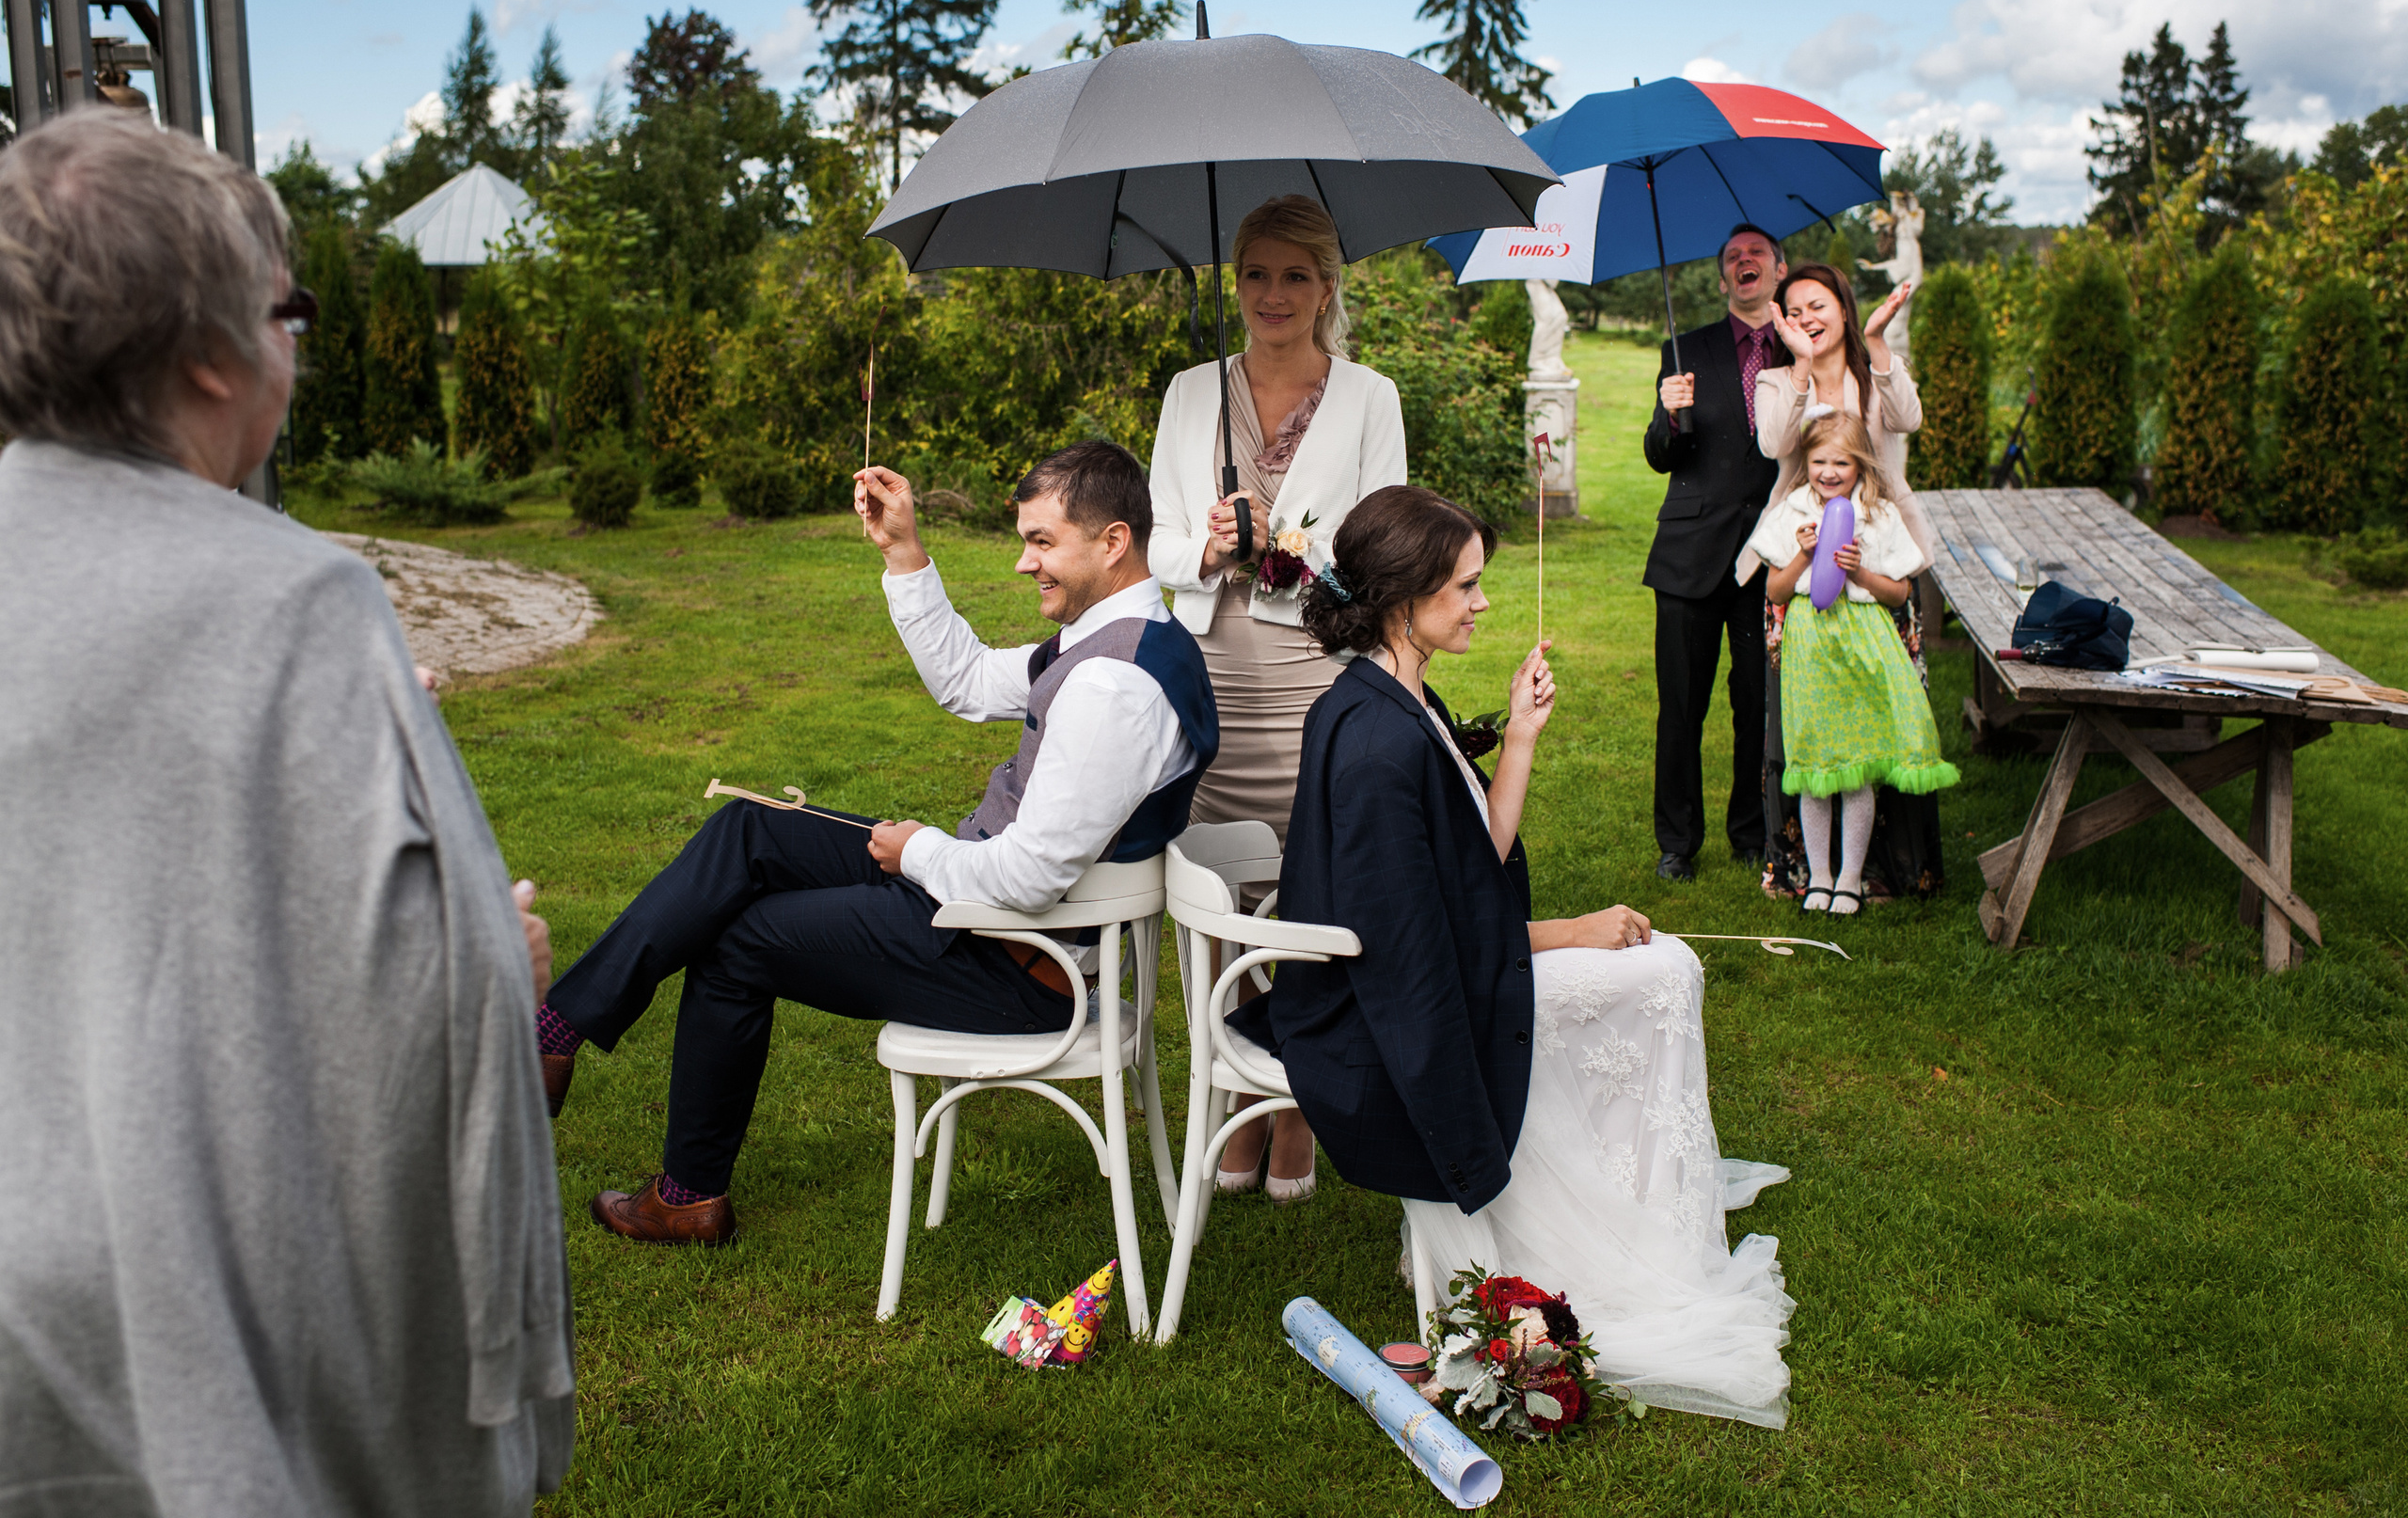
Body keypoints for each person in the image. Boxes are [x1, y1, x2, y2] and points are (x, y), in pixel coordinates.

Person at [0, 111, 574, 1515]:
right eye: (287, 312)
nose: (295, 345)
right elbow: (431, 1016)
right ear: (211, 353)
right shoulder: (299, 603)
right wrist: (502, 965)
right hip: (185, 1322)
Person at [538, 442, 1217, 1245]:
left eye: (1042, 542)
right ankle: (557, 1032)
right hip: (987, 912)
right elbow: (966, 681)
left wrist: (918, 852)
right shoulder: (1118, 636)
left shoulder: (1113, 686)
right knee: (751, 827)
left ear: (1112, 542)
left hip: (1017, 960)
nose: (1022, 562)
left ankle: (686, 1199)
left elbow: (1030, 877)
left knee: (736, 942)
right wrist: (903, 549)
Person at [1230, 484, 1795, 1428]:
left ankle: (1645, 1199)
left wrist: (1520, 734)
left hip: (1443, 966)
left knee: (1662, 967)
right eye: (1465, 586)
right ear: (1402, 597)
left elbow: (1474, 861)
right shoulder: (1375, 744)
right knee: (1666, 971)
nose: (1482, 603)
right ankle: (1633, 1218)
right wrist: (1569, 932)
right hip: (1384, 1014)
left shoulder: (1400, 693)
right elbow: (1414, 950)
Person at [1148, 193, 1406, 1202]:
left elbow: (1383, 544)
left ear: (1327, 288)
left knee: (1310, 883)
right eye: (1255, 273)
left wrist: (1285, 541)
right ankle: (1232, 1094)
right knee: (1217, 889)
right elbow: (1157, 538)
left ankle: (1297, 1100)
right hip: (1206, 670)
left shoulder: (1370, 397)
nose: (1273, 294)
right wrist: (1209, 547)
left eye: (1295, 275)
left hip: (1315, 668)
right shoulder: (1189, 392)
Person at [1751, 263, 1946, 903]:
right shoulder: (1778, 379)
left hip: (1878, 561)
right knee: (1802, 724)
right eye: (1794, 310)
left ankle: (1882, 870)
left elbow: (1909, 418)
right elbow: (1774, 444)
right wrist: (1802, 366)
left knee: (1889, 715)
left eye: (1818, 305)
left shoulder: (1874, 369)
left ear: (1843, 307)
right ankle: (1804, 870)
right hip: (1802, 563)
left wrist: (1879, 342)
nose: (1807, 318)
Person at [1644, 224, 1790, 883]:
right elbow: (1661, 456)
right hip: (1690, 554)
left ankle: (1752, 831)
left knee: (1758, 702)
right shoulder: (1686, 349)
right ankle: (1677, 840)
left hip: (1773, 556)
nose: (1744, 261)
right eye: (1733, 256)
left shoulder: (1798, 347)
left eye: (1756, 253)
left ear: (1779, 270)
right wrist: (1667, 413)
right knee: (1682, 705)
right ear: (1724, 276)